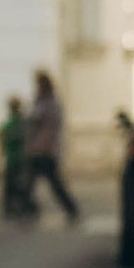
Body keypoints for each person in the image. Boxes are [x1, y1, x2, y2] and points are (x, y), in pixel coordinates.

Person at [20, 68, 78, 221]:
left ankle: (70, 208)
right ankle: (30, 207)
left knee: (48, 183)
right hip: (41, 149)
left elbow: (37, 121)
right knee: (35, 182)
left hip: (43, 150)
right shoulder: (46, 101)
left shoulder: (48, 103)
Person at [0, 92, 29, 217]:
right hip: (22, 158)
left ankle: (9, 208)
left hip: (10, 158)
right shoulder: (24, 123)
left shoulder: (7, 124)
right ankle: (23, 206)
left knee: (9, 185)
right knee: (21, 183)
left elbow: (3, 143)